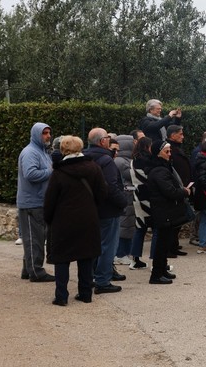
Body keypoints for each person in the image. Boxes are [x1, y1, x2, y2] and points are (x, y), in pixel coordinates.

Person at [44, 136, 107, 306]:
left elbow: (50, 200)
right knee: (86, 256)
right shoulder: (94, 168)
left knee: (62, 259)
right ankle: (85, 293)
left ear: (63, 150)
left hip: (63, 220)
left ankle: (61, 296)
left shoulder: (58, 172)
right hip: (88, 218)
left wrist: (48, 219)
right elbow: (102, 193)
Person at [84, 128, 128, 294]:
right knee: (108, 246)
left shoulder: (85, 157)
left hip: (91, 207)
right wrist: (123, 202)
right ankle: (102, 281)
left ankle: (93, 277)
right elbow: (111, 186)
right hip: (108, 209)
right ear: (102, 141)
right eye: (108, 138)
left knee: (95, 245)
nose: (109, 140)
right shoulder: (106, 160)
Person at [147, 140, 191, 284]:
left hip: (165, 210)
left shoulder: (162, 167)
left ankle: (162, 270)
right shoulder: (159, 169)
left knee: (164, 243)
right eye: (167, 151)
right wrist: (184, 191)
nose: (170, 154)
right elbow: (169, 191)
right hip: (162, 210)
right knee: (161, 244)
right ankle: (156, 274)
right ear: (158, 153)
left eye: (170, 151)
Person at [17, 122, 55, 282]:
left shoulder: (42, 151)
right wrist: (51, 171)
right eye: (44, 133)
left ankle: (28, 269)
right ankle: (36, 271)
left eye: (48, 133)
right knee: (34, 238)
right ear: (36, 135)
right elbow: (30, 174)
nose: (48, 136)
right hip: (31, 203)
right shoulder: (30, 152)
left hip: (39, 201)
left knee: (35, 237)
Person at [166, 125, 190, 257]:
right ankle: (170, 248)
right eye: (180, 134)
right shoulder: (169, 149)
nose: (183, 136)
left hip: (182, 188)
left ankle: (174, 246)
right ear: (172, 135)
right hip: (176, 189)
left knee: (178, 221)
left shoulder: (176, 148)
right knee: (174, 221)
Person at [130, 137, 153, 270]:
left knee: (140, 228)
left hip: (137, 196)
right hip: (148, 197)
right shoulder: (147, 161)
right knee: (156, 228)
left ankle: (135, 258)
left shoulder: (133, 160)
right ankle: (156, 260)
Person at [113, 134, 137, 265]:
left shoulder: (125, 160)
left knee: (128, 226)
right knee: (125, 226)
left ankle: (125, 252)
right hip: (127, 195)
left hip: (129, 196)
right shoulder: (121, 161)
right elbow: (131, 175)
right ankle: (120, 253)